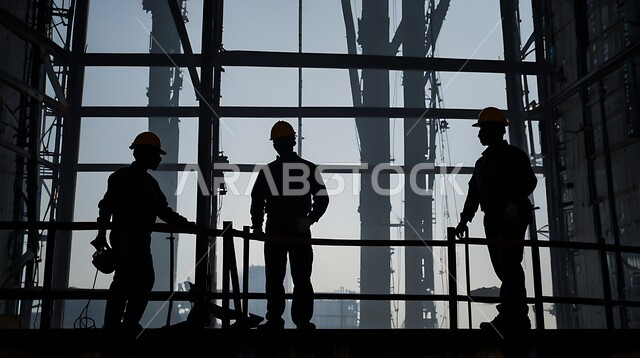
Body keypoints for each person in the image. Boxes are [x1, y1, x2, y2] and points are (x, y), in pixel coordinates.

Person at [91, 131, 196, 334]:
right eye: (156, 154)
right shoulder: (139, 182)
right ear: (145, 153)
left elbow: (163, 212)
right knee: (134, 281)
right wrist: (101, 234)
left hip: (132, 242)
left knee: (129, 282)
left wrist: (101, 235)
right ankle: (122, 325)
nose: (158, 159)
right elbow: (108, 207)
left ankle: (117, 325)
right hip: (128, 242)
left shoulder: (134, 181)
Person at [454, 107, 537, 334]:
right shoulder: (483, 164)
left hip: (511, 217)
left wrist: (515, 202)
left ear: (495, 130)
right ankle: (513, 314)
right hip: (492, 218)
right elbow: (474, 194)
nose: (479, 135)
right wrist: (464, 221)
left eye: (483, 129)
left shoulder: (514, 156)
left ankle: (514, 316)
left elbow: (529, 181)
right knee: (503, 267)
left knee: (509, 264)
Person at [250, 121, 329, 331]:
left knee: (276, 278)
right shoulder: (308, 168)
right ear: (293, 141)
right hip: (297, 229)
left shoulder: (269, 171)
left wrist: (257, 226)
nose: (281, 144)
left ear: (275, 145)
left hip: (277, 229)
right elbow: (322, 198)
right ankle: (301, 320)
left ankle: (276, 320)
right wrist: (310, 219)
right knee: (301, 278)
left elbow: (257, 199)